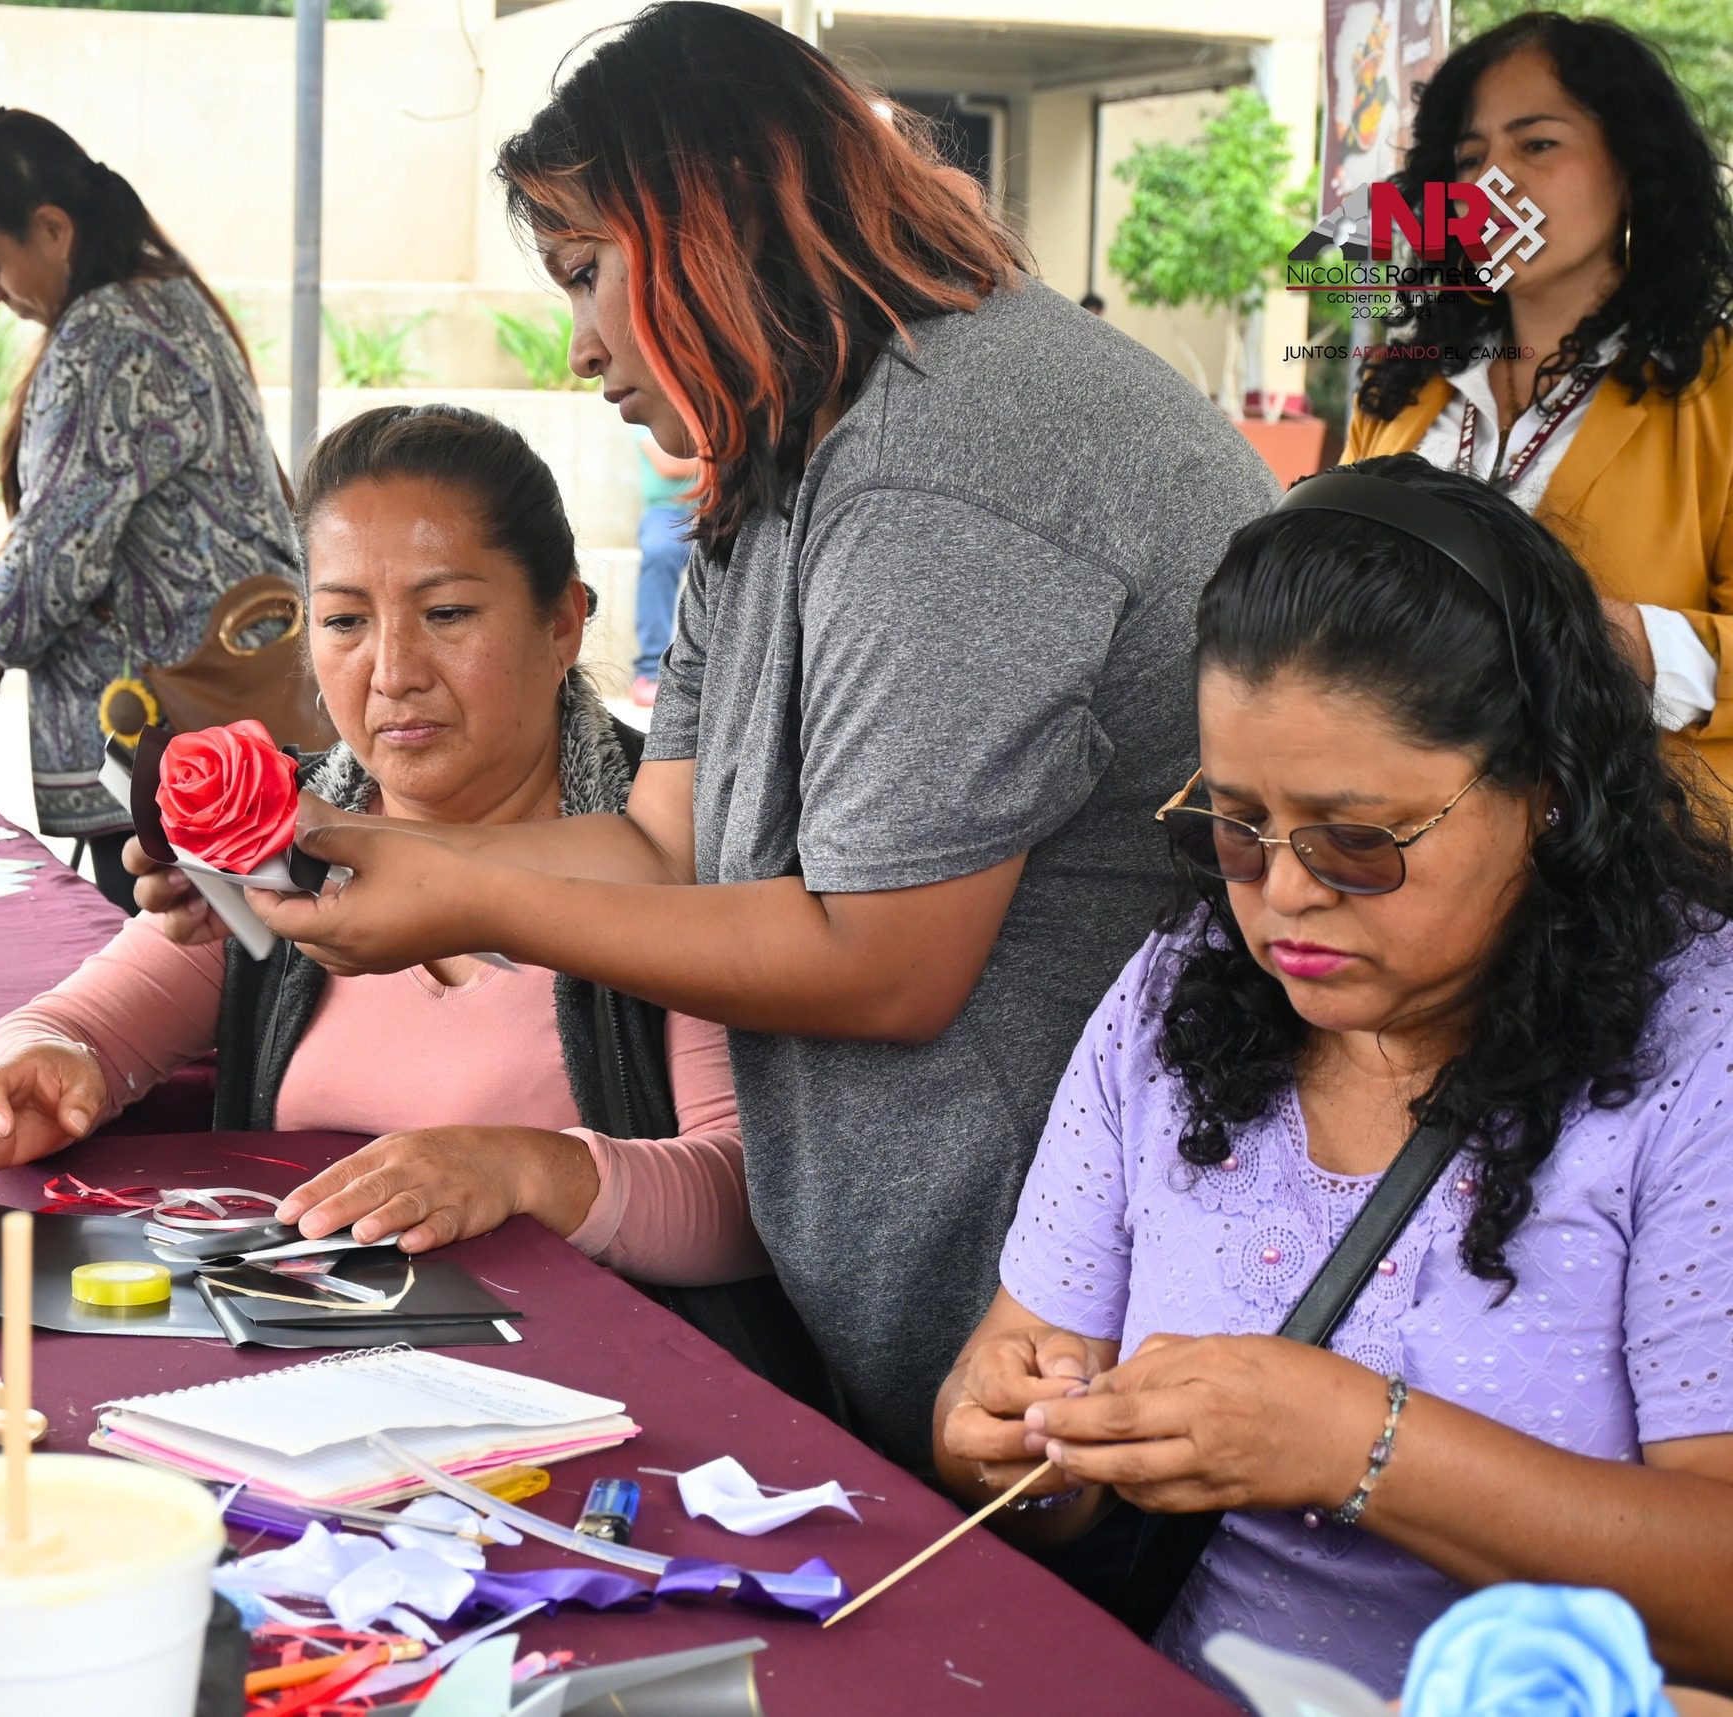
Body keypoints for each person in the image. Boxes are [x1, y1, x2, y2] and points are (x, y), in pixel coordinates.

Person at [149, 1, 1279, 1470]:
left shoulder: (947, 466)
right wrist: (351, 852)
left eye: (584, 275)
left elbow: (886, 962)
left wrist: (472, 893)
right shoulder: (784, 441)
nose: (579, 349)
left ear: (711, 220)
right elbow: (662, 841)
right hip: (956, 1297)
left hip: (1097, 1312)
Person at [936, 454, 1733, 1696]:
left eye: (1357, 840)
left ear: (1550, 795)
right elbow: (1024, 1385)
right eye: (1235, 825)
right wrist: (1008, 1444)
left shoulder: (1699, 1050)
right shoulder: (1176, 994)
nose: (1284, 892)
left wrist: (1355, 1443)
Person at [0, 407, 783, 1331]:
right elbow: (74, 1025)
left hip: (592, 1397)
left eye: (447, 612)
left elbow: (747, 1201)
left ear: (563, 623)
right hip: (306, 1380)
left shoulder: (673, 849)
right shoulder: (282, 838)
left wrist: (528, 1170)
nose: (393, 671)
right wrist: (38, 1070)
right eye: (344, 620)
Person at [0, 107, 297, 912]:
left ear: (51, 229)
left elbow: (54, 559)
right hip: (214, 736)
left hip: (174, 750)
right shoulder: (158, 302)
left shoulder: (109, 335)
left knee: (189, 982)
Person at [1343, 14, 1733, 787]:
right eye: (1469, 157)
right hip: (1390, 841)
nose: (1493, 182)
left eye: (1537, 144)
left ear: (1631, 169)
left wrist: (1610, 639)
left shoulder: (1718, 387)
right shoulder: (1400, 385)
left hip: (1640, 864)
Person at [629, 426, 698, 707]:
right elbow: (668, 464)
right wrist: (723, 461)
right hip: (666, 512)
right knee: (659, 551)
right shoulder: (642, 412)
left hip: (717, 506)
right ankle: (649, 670)